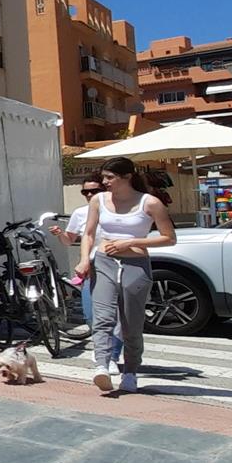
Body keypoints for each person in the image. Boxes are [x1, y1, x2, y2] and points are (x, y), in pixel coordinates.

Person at [77, 156, 177, 395]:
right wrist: (84, 260)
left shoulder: (150, 203)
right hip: (104, 261)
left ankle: (130, 372)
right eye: (104, 177)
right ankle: (102, 365)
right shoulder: (99, 201)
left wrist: (130, 242)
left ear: (127, 177)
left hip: (135, 264)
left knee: (131, 323)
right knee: (103, 318)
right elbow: (88, 234)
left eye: (110, 177)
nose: (105, 182)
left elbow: (169, 238)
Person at [51, 173, 106, 338]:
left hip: (114, 264)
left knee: (117, 314)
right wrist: (60, 234)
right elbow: (69, 240)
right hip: (91, 267)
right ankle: (102, 347)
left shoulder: (115, 210)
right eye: (85, 192)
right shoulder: (81, 213)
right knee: (91, 314)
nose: (89, 195)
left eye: (94, 191)